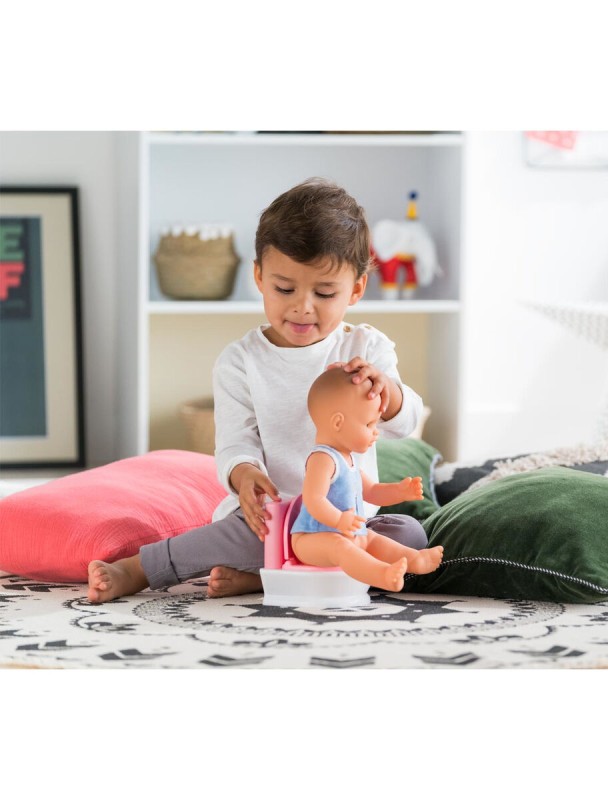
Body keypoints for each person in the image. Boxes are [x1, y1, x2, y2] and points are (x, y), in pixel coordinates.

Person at [87, 178, 428, 603]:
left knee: (408, 537)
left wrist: (388, 392)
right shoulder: (240, 362)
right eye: (284, 289)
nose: (302, 306)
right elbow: (235, 443)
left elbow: (406, 423)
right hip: (274, 521)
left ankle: (266, 577)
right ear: (259, 277)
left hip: (348, 523)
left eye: (324, 292)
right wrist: (244, 475)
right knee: (228, 538)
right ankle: (139, 568)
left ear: (356, 289)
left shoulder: (367, 349)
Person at [289, 366, 443, 592]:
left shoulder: (349, 460)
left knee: (373, 540)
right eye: (369, 424)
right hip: (312, 538)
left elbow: (372, 491)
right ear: (338, 423)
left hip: (349, 532)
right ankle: (382, 574)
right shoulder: (322, 459)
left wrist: (400, 491)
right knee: (339, 546)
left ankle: (415, 559)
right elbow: (314, 499)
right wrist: (339, 520)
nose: (376, 431)